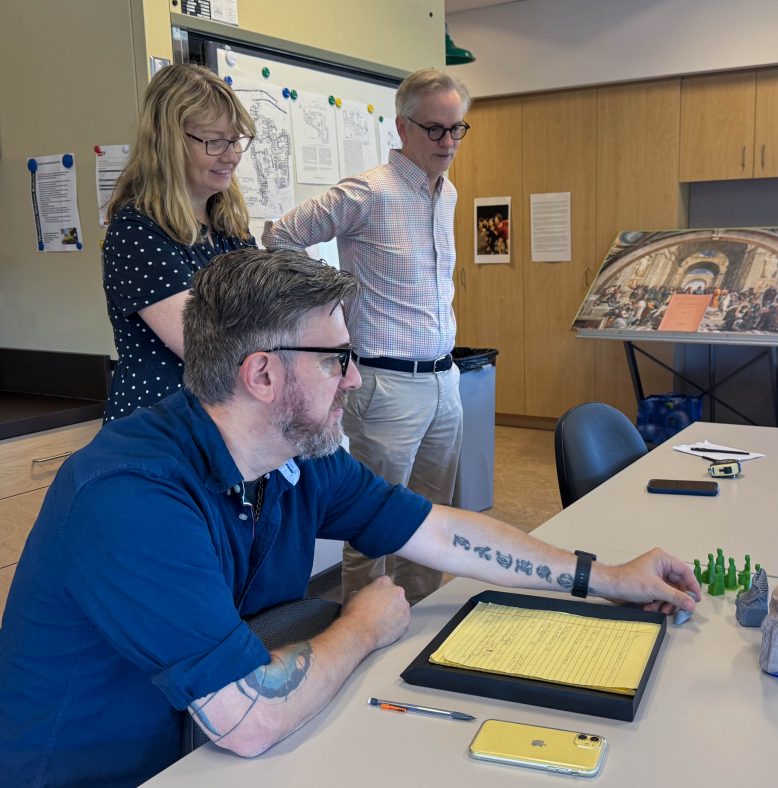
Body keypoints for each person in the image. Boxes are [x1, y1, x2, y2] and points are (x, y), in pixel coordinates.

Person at [0, 248, 700, 786]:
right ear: (264, 376)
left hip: (209, 752)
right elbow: (250, 718)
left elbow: (440, 530)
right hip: (110, 774)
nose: (356, 379)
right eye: (338, 359)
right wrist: (362, 625)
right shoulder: (131, 497)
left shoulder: (298, 455)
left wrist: (606, 578)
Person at [263, 68, 471, 606]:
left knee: (431, 518)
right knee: (375, 523)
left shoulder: (447, 194)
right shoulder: (369, 192)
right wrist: (326, 306)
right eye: (434, 129)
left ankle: (418, 622)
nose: (447, 142)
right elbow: (281, 235)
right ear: (402, 127)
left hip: (444, 378)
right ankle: (361, 635)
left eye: (456, 129)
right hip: (386, 384)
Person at [102, 63, 257, 423]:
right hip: (162, 427)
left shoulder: (229, 227)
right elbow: (208, 348)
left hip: (225, 421)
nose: (232, 155)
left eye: (236, 140)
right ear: (169, 143)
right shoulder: (136, 231)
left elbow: (270, 317)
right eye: (215, 141)